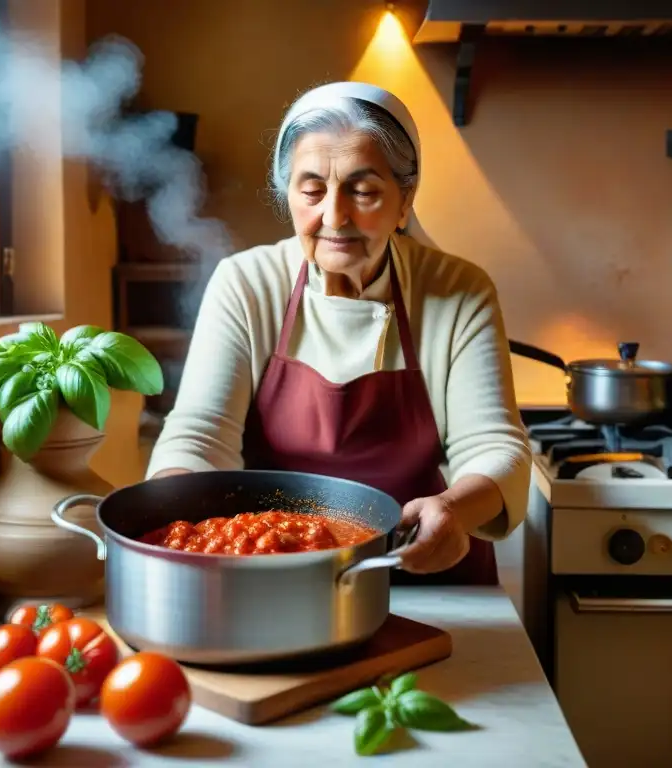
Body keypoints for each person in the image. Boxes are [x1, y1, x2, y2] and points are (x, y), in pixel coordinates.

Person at [146, 81, 531, 585]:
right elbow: (199, 435)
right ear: (289, 196)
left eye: (364, 191)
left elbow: (494, 445)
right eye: (311, 191)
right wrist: (168, 521)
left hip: (420, 567)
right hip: (275, 574)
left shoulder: (458, 291)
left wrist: (454, 511)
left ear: (405, 198)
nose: (334, 216)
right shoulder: (247, 283)